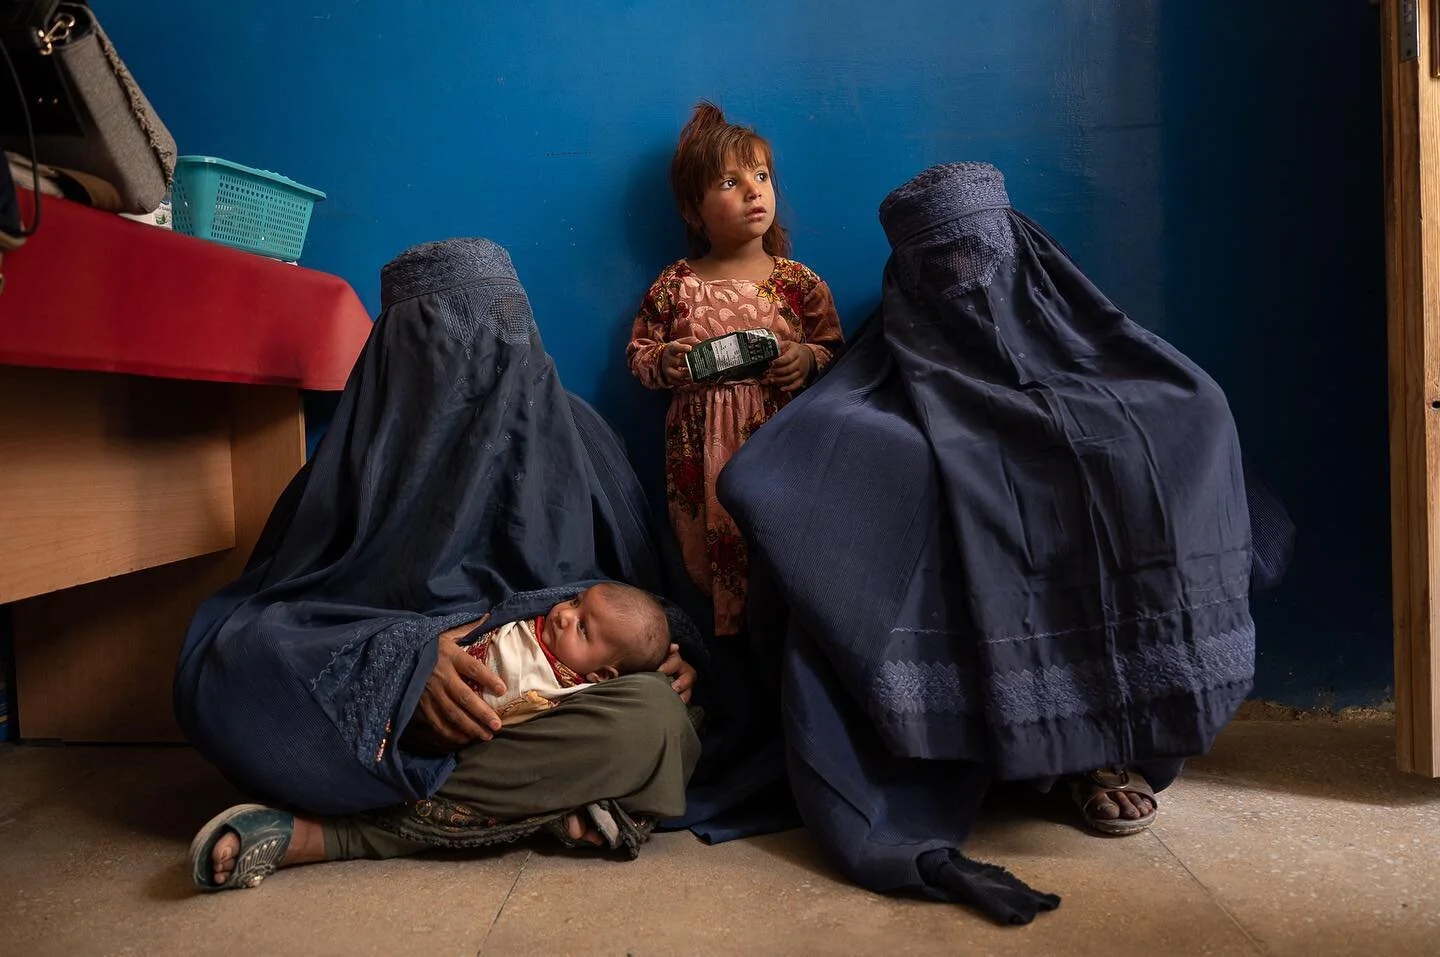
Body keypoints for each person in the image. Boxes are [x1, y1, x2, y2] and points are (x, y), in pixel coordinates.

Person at [712, 162, 1256, 925]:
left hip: (1071, 409)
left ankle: (1102, 741)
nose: (965, 286)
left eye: (978, 256)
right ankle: (981, 750)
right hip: (919, 422)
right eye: (942, 267)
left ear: (1019, 250)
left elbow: (1189, 404)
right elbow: (784, 462)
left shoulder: (1084, 349)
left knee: (1128, 453)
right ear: (909, 278)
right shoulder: (885, 370)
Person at [178, 238, 704, 892]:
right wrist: (404, 665)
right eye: (444, 339)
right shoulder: (350, 464)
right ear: (394, 355)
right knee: (230, 689)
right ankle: (547, 805)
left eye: (503, 332)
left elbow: (643, 597)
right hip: (402, 731)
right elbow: (250, 633)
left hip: (558, 705)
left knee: (656, 715)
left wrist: (671, 654)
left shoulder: (579, 437)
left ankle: (342, 832)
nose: (481, 361)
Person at [626, 101, 845, 637]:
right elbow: (639, 353)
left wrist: (807, 359)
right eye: (730, 181)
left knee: (780, 551)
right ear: (692, 209)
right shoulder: (676, 284)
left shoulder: (797, 282)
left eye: (762, 176)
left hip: (779, 438)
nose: (754, 191)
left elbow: (835, 349)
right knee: (708, 560)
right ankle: (729, 677)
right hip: (700, 451)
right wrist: (666, 362)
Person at [459, 582, 673, 728]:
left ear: (602, 675)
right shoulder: (528, 620)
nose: (564, 615)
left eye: (582, 628)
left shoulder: (571, 698)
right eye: (575, 602)